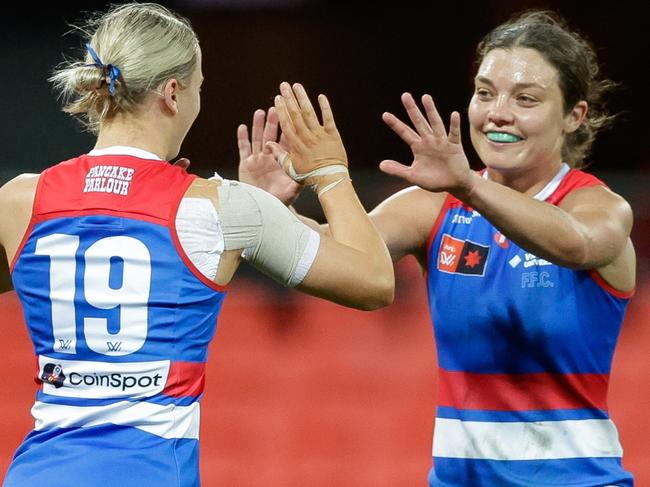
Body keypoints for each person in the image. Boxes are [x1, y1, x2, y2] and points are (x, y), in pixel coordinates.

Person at [0, 3, 394, 486]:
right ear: (172, 93)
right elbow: (374, 280)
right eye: (199, 88)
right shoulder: (220, 207)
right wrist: (329, 172)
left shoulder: (21, 199)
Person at [240, 10, 636, 487]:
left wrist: (469, 184)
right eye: (485, 93)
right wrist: (266, 210)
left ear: (575, 116)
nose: (498, 113)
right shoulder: (434, 208)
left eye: (525, 99)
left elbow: (576, 244)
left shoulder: (599, 208)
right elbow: (335, 254)